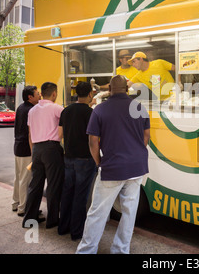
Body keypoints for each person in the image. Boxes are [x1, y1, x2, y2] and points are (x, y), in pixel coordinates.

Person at [76, 75, 150, 254]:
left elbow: (93, 142)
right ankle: (120, 250)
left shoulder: (100, 109)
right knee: (129, 212)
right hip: (137, 167)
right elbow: (146, 137)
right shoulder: (139, 107)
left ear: (109, 89)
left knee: (97, 213)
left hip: (112, 168)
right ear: (127, 89)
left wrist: (99, 162)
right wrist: (135, 154)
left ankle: (86, 251)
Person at [58, 81, 97, 241]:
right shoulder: (91, 113)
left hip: (68, 157)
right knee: (80, 196)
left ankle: (63, 227)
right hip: (85, 159)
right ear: (90, 94)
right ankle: (76, 231)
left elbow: (60, 133)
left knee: (67, 192)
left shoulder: (66, 111)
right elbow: (93, 138)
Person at [22, 82, 64, 229]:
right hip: (51, 149)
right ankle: (52, 220)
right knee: (53, 185)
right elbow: (65, 125)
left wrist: (34, 152)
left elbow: (29, 134)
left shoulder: (32, 111)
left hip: (36, 149)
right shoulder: (57, 108)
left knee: (35, 185)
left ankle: (29, 218)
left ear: (42, 93)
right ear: (54, 94)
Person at [12, 85, 40, 216]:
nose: (39, 95)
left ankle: (16, 203)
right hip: (26, 149)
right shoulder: (32, 110)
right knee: (25, 179)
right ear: (30, 97)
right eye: (37, 94)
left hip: (18, 147)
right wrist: (34, 151)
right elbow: (31, 133)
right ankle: (23, 208)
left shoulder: (20, 107)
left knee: (18, 177)